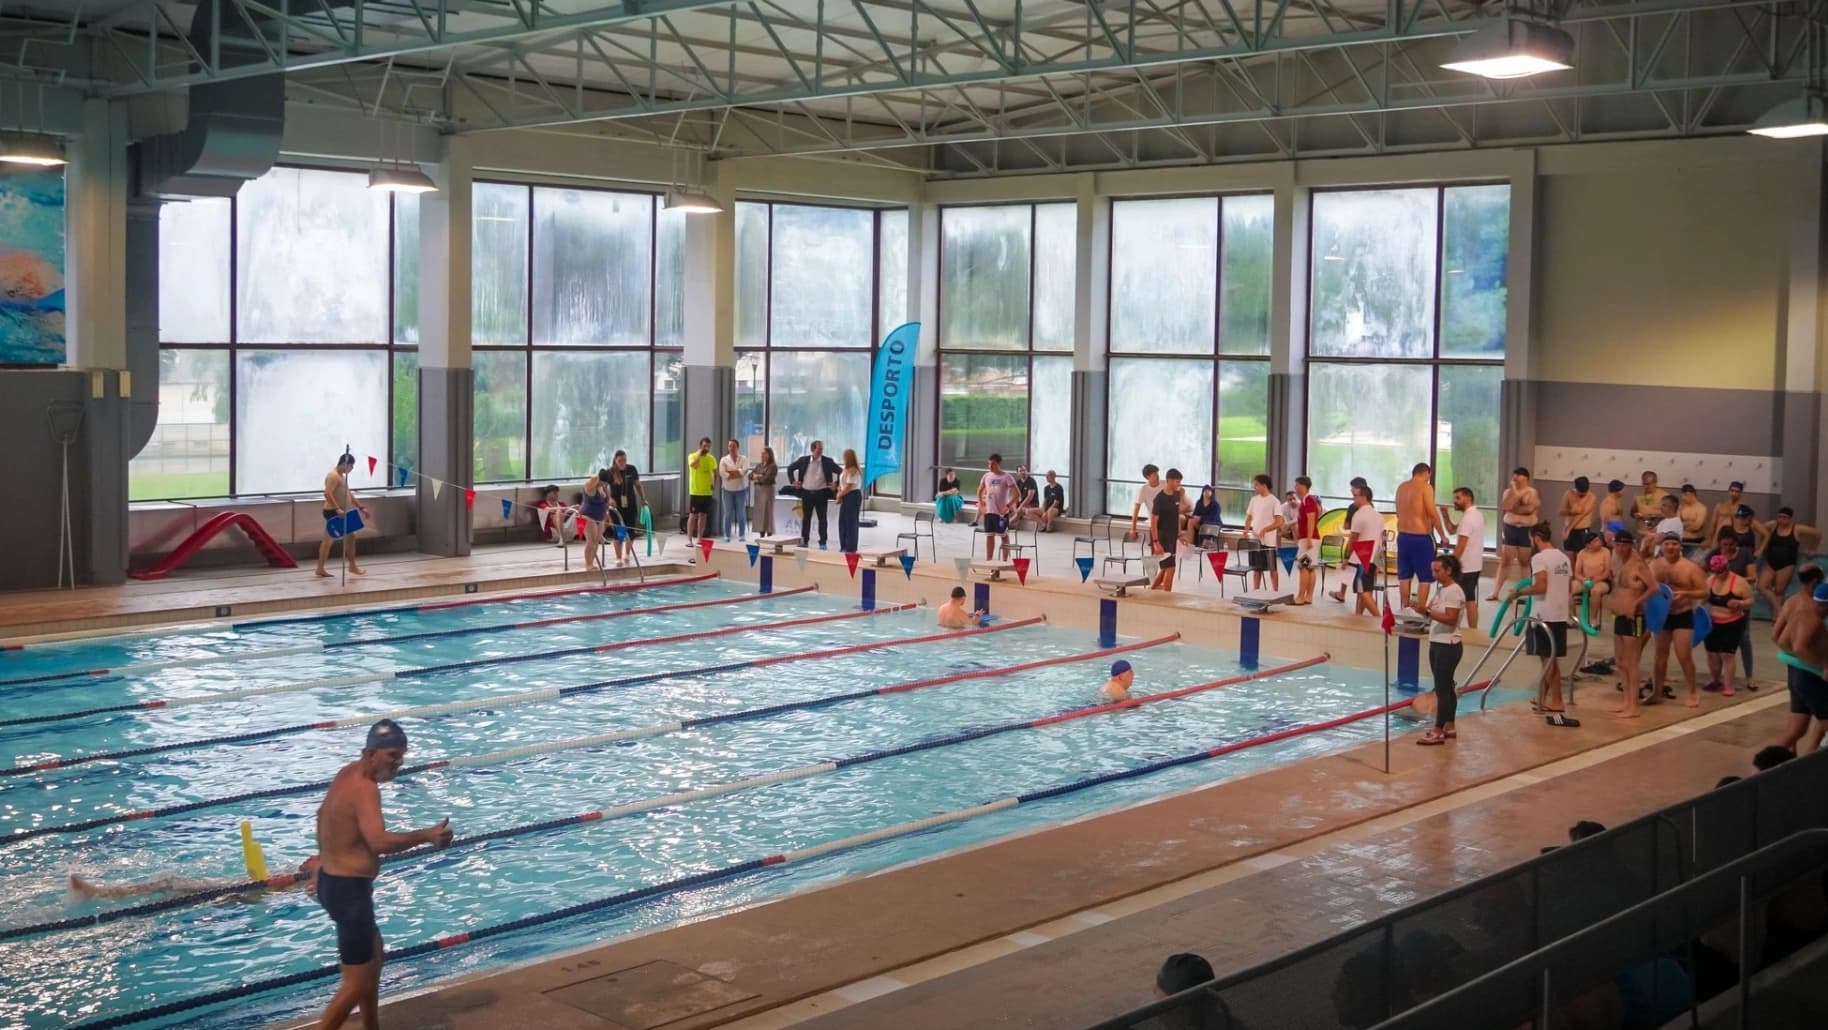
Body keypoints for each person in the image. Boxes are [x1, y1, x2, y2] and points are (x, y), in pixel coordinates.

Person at [313, 720, 453, 1030]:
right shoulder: (365, 789)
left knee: (374, 961)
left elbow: (322, 815)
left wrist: (323, 860)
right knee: (356, 982)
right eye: (393, 755)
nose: (399, 762)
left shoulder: (347, 773)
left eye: (402, 755)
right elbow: (378, 842)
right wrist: (426, 835)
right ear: (370, 753)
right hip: (349, 893)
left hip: (334, 884)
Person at [1513, 522, 1575, 719]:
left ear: (1537, 538)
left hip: (1544, 615)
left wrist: (1519, 592)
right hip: (1559, 614)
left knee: (1549, 660)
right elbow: (1568, 588)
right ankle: (1542, 697)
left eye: (1531, 540)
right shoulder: (1563, 557)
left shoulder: (1539, 558)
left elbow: (1541, 586)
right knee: (1548, 659)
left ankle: (1557, 701)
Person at [72, 855, 321, 901]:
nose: (311, 855)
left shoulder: (301, 879)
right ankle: (104, 893)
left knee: (169, 884)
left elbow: (267, 893)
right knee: (169, 888)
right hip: (235, 890)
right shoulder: (301, 874)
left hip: (234, 892)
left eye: (316, 856)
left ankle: (101, 893)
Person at [1649, 532, 1707, 708]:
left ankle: (1692, 692)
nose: (1670, 547)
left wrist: (1686, 593)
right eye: (1667, 544)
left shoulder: (1690, 568)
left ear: (1681, 546)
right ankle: (1657, 692)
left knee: (1684, 655)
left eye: (1674, 544)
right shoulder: (1654, 565)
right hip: (1662, 615)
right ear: (1662, 546)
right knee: (1660, 656)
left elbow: (1704, 591)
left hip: (1683, 614)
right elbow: (1646, 588)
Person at [1606, 530, 1659, 719]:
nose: (1621, 548)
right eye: (1618, 545)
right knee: (1620, 661)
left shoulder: (1639, 564)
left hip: (1634, 617)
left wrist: (1636, 603)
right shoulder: (1617, 561)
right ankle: (1626, 701)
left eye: (1624, 545)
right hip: (1619, 616)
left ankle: (1634, 706)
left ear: (1631, 545)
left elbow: (1654, 588)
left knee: (1632, 662)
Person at [1773, 580, 1828, 754]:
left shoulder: (1798, 607)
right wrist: (1823, 665)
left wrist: (1797, 661)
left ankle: (1764, 766)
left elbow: (1779, 640)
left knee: (1796, 730)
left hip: (1798, 673)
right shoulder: (1812, 618)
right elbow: (1799, 648)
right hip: (1811, 677)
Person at [1416, 554, 1466, 746]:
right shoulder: (1442, 590)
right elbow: (1433, 612)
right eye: (1433, 570)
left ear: (1449, 571)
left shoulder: (1454, 592)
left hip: (1447, 645)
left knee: (1442, 690)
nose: (1433, 574)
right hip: (1439, 643)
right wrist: (1422, 610)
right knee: (1447, 688)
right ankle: (1449, 726)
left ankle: (1438, 730)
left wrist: (1428, 612)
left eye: (1437, 571)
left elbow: (1451, 618)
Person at [1395, 463, 1449, 610]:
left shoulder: (1401, 487)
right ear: (1426, 473)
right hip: (1420, 538)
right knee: (1425, 577)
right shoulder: (1426, 487)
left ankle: (1405, 608)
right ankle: (1420, 609)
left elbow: (1398, 513)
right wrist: (1442, 535)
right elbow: (1432, 513)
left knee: (1404, 576)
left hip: (1403, 537)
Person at [1703, 555, 1753, 698]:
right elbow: (1703, 599)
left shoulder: (1739, 582)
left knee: (1727, 654)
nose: (1718, 575)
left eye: (1721, 571)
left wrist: (1740, 603)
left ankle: (1729, 685)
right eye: (1715, 572)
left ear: (1727, 568)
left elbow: (1750, 601)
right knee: (1712, 653)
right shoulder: (1710, 581)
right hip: (1713, 622)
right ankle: (1715, 680)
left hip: (1733, 622)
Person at [316, 452, 371, 578]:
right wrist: (337, 509)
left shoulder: (341, 476)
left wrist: (361, 507)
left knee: (346, 537)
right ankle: (350, 566)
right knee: (331, 540)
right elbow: (327, 493)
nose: (352, 469)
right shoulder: (333, 476)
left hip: (339, 512)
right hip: (333, 512)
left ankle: (347, 566)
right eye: (351, 466)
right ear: (345, 464)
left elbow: (348, 494)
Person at [1756, 507, 1821, 612]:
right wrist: (1763, 545)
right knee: (1761, 586)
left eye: (1785, 517)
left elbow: (1817, 533)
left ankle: (1776, 615)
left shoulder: (1797, 528)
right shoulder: (1773, 525)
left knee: (1779, 590)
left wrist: (1813, 549)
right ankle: (1779, 610)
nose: (1782, 520)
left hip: (1786, 564)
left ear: (1790, 519)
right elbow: (1758, 528)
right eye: (1780, 517)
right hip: (1770, 562)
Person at [1333, 483, 1384, 615]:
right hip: (1373, 558)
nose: (1353, 498)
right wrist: (1380, 562)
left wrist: (1346, 557)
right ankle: (1359, 614)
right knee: (1366, 589)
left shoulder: (1358, 515)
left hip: (1361, 558)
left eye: (1355, 495)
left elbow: (1353, 539)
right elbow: (1381, 540)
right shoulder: (1379, 516)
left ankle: (1378, 617)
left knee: (1362, 591)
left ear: (1363, 497)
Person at [1439, 487, 1485, 630]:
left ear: (1468, 498)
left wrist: (1450, 564)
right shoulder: (1476, 515)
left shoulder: (1468, 519)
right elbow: (1452, 530)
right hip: (1474, 565)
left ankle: (1472, 630)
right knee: (1468, 598)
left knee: (1468, 599)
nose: (1455, 501)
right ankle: (1471, 629)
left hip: (1466, 566)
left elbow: (1461, 546)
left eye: (1458, 498)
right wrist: (1445, 515)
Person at [1494, 467, 1540, 601]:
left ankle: (1526, 592)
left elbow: (1529, 510)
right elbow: (1506, 506)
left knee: (1524, 561)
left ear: (1526, 479)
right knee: (1505, 561)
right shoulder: (1508, 492)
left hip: (1526, 529)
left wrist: (1514, 508)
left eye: (1519, 477)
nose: (1516, 480)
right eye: (1514, 478)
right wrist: (1514, 493)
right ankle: (1495, 592)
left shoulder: (1532, 492)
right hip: (1510, 528)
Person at [788, 441, 840, 549]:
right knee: (806, 519)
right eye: (819, 449)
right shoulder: (803, 460)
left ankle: (823, 542)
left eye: (822, 449)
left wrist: (836, 483)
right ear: (812, 449)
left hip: (821, 493)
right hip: (806, 493)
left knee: (822, 519)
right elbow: (790, 468)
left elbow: (841, 472)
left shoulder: (827, 461)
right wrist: (793, 481)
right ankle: (805, 541)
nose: (821, 451)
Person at [606, 450, 646, 568]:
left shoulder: (632, 469)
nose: (622, 462)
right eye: (620, 461)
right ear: (615, 460)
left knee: (630, 530)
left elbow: (638, 485)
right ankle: (618, 557)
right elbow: (602, 488)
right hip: (616, 507)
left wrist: (643, 499)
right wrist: (609, 499)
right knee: (619, 531)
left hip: (631, 504)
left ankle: (627, 554)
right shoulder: (610, 472)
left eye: (624, 460)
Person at [1243, 474, 1283, 591]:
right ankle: (1256, 590)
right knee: (1256, 568)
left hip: (1268, 541)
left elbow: (1279, 521)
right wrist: (1246, 530)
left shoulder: (1274, 501)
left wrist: (1265, 529)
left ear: (1264, 485)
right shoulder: (1254, 500)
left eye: (1256, 485)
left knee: (1272, 568)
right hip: (1255, 539)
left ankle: (1275, 592)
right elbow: (1249, 517)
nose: (1254, 487)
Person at [976, 453, 1018, 561]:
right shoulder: (986, 476)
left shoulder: (1006, 477)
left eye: (993, 464)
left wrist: (1008, 506)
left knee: (1003, 535)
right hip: (989, 512)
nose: (990, 466)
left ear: (999, 464)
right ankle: (989, 560)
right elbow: (980, 490)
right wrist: (981, 503)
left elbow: (1017, 493)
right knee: (989, 536)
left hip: (1001, 514)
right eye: (989, 464)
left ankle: (1004, 560)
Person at [1151, 469, 1186, 593]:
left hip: (1172, 537)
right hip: (1162, 538)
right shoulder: (1159, 499)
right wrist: (1156, 542)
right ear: (1169, 480)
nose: (1179, 484)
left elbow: (1176, 516)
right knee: (1171, 568)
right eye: (1177, 481)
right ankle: (1167, 598)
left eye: (1180, 482)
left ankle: (1151, 590)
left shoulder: (1176, 495)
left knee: (1165, 568)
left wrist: (1180, 534)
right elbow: (1153, 522)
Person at [1292, 476, 1322, 606]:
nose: (1295, 488)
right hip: (1310, 538)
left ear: (1303, 486)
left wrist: (1309, 538)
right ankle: (1308, 596)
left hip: (1308, 539)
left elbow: (1311, 518)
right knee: (1310, 568)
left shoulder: (1308, 500)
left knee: (1303, 567)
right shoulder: (1306, 500)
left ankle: (1300, 596)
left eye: (1296, 485)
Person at [1573, 530, 1612, 626]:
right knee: (1569, 588)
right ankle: (1573, 618)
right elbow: (1576, 573)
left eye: (1599, 539)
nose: (1599, 542)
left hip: (1601, 581)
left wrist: (1594, 580)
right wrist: (1583, 579)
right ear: (1588, 545)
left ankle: (1593, 620)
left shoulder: (1605, 552)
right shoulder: (1582, 553)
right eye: (1595, 541)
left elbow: (1606, 572)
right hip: (1584, 580)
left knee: (1596, 590)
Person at [578, 468, 612, 573]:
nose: (604, 484)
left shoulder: (603, 487)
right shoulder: (590, 486)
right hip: (587, 516)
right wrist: (599, 475)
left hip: (599, 517)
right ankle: (588, 564)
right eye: (602, 481)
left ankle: (591, 562)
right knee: (591, 541)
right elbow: (594, 478)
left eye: (605, 482)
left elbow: (607, 501)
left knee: (596, 542)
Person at [685, 437, 717, 545]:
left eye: (708, 447)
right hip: (695, 491)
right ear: (700, 446)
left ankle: (699, 538)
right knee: (693, 515)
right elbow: (694, 465)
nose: (706, 449)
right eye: (704, 446)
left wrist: (713, 483)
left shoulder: (711, 458)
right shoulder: (692, 456)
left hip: (706, 492)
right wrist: (699, 453)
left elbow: (715, 472)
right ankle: (689, 539)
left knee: (703, 516)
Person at [717, 439, 749, 543]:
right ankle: (727, 535)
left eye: (733, 446)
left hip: (741, 490)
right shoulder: (723, 460)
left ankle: (741, 535)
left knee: (741, 513)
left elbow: (743, 471)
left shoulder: (743, 459)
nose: (731, 448)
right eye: (729, 446)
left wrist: (731, 473)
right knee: (728, 513)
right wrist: (735, 473)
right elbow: (723, 473)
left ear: (737, 447)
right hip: (727, 490)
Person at [835, 448, 864, 553]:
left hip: (853, 496)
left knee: (851, 522)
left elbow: (849, 486)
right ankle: (843, 545)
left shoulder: (854, 471)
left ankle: (850, 547)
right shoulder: (845, 470)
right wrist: (839, 492)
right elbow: (842, 483)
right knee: (843, 521)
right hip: (845, 496)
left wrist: (840, 494)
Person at [1558, 477, 1596, 553]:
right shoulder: (1568, 494)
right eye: (1580, 492)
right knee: (1570, 553)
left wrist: (1569, 529)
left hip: (1582, 530)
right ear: (1576, 488)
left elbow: (1582, 515)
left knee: (1582, 554)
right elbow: (1561, 512)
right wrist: (1572, 512)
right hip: (1569, 528)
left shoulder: (1591, 497)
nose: (1583, 494)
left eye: (1585, 492)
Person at [1128, 464, 1163, 545]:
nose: (1158, 476)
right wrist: (1133, 529)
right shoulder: (1143, 489)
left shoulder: (1165, 484)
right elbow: (1136, 509)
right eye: (1154, 474)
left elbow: (1181, 490)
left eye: (1157, 473)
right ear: (1147, 477)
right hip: (1154, 519)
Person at [749, 447, 778, 538]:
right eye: (761, 453)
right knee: (760, 512)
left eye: (764, 453)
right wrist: (759, 476)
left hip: (767, 490)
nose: (762, 455)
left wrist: (757, 477)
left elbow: (767, 478)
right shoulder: (759, 465)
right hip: (758, 491)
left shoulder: (772, 466)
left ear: (769, 455)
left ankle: (769, 532)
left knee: (767, 511)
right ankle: (761, 532)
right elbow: (750, 475)